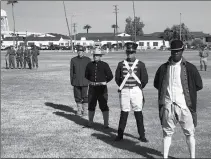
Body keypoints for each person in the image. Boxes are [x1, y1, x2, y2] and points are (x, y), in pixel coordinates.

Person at [154, 40, 203, 158]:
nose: (175, 54)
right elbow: (157, 84)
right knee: (167, 133)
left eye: (178, 51)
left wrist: (187, 94)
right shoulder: (163, 68)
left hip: (184, 106)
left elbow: (198, 85)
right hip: (168, 105)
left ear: (182, 51)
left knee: (190, 133)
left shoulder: (190, 68)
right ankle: (165, 156)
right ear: (170, 52)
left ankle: (192, 157)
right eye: (173, 51)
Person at [114, 42, 149, 142]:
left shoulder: (140, 64)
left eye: (131, 52)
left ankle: (142, 135)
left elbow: (144, 79)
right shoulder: (121, 64)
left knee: (138, 112)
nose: (130, 55)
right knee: (124, 112)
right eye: (128, 53)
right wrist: (123, 86)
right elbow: (117, 78)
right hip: (125, 90)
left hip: (136, 90)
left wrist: (138, 87)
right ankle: (120, 135)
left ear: (135, 52)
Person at [85, 48, 113, 128]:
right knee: (91, 105)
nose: (95, 57)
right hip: (92, 88)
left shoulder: (105, 65)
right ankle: (90, 122)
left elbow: (110, 76)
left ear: (100, 56)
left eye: (97, 55)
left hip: (102, 88)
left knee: (103, 105)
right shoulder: (89, 65)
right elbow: (86, 75)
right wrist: (91, 81)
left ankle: (106, 123)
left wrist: (105, 82)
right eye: (94, 55)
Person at [70, 45, 91, 116]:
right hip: (76, 81)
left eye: (81, 51)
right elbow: (71, 71)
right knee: (77, 96)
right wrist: (72, 81)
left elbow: (90, 71)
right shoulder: (73, 60)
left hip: (85, 81)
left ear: (83, 52)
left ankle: (85, 110)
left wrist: (90, 80)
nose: (80, 52)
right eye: (78, 51)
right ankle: (79, 109)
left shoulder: (88, 60)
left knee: (85, 96)